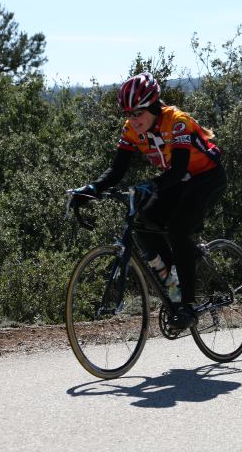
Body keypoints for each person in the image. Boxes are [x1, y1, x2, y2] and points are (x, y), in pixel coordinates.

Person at [71, 72, 226, 329]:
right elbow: (117, 170)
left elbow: (177, 170)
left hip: (206, 177)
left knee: (178, 229)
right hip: (179, 180)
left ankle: (187, 305)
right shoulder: (132, 130)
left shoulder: (177, 122)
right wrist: (91, 189)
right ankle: (173, 281)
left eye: (137, 113)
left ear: (153, 107)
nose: (132, 119)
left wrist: (151, 185)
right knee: (142, 221)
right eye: (128, 114)